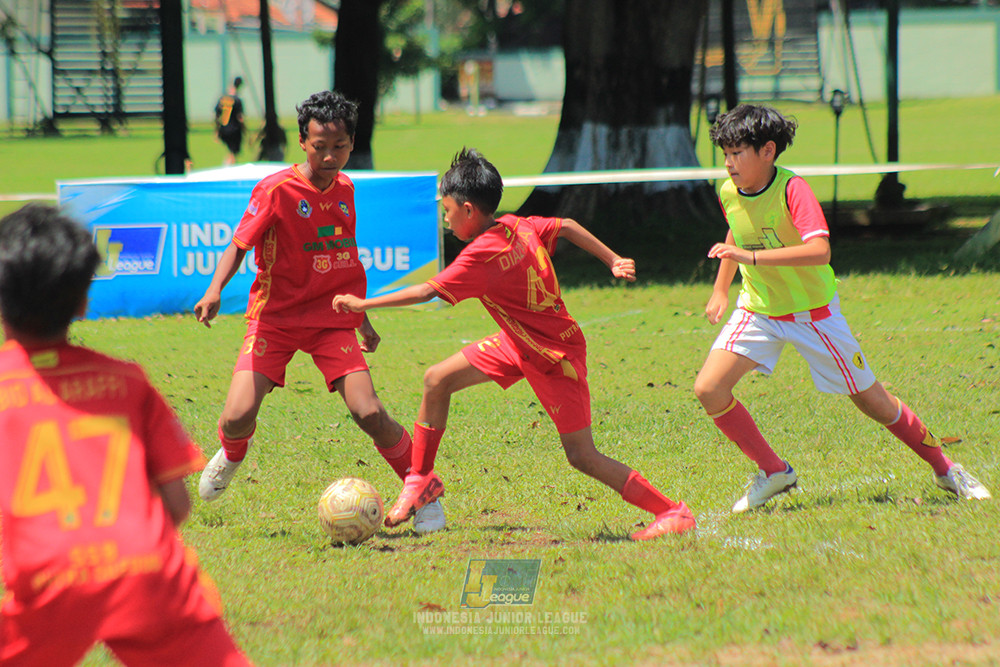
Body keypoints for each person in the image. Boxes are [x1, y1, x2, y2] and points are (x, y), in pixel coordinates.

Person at [332, 148, 695, 541]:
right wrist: (611, 258)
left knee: (582, 456)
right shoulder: (515, 225)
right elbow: (568, 225)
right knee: (437, 380)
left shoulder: (478, 257)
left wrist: (363, 303)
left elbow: (425, 290)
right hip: (518, 343)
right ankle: (420, 479)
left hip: (554, 358)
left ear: (469, 209)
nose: (445, 215)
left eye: (449, 208)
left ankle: (672, 511)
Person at [695, 103, 991, 512]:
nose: (728, 164)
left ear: (767, 151)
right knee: (709, 388)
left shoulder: (792, 189)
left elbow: (819, 250)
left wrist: (752, 259)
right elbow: (738, 228)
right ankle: (774, 471)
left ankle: (945, 468)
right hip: (759, 309)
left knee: (874, 403)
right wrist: (721, 289)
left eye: (736, 153)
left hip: (812, 315)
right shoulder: (729, 190)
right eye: (725, 154)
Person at [0, 203, 252, 666]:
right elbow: (177, 504)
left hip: (48, 577)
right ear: (82, 301)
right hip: (147, 570)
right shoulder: (128, 381)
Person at [194, 90, 445, 534]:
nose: (330, 157)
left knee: (369, 412)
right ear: (302, 141)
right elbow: (239, 245)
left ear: (351, 143)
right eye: (319, 146)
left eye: (340, 147)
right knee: (236, 417)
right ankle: (232, 455)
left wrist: (363, 316)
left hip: (332, 318)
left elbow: (345, 255)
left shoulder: (346, 188)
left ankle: (421, 489)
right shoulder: (276, 190)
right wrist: (215, 290)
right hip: (276, 318)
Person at [215, 76, 245, 166]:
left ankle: (227, 166)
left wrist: (216, 130)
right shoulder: (237, 100)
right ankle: (227, 168)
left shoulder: (223, 98)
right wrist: (244, 129)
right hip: (234, 129)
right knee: (233, 153)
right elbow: (240, 117)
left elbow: (217, 114)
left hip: (223, 129)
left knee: (231, 151)